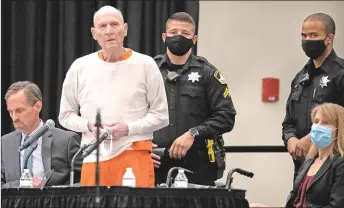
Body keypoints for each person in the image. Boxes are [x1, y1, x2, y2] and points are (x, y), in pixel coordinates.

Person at [59, 6, 169, 188]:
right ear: (94, 33)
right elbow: (65, 116)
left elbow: (161, 116)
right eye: (102, 26)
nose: (109, 31)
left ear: (125, 29)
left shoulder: (146, 64)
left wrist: (128, 129)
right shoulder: (80, 67)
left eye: (114, 24)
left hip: (134, 153)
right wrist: (89, 126)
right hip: (92, 156)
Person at [152, 12, 236, 186]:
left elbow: (226, 117)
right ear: (164, 36)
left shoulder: (208, 73)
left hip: (197, 166)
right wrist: (140, 148)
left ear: (194, 39)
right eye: (173, 32)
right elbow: (132, 114)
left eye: (185, 33)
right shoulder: (150, 70)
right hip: (155, 163)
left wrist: (193, 133)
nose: (178, 37)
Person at [282, 13, 344, 181]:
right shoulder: (300, 77)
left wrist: (312, 138)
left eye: (313, 35)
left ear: (329, 38)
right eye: (304, 35)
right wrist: (292, 140)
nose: (308, 40)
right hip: (302, 165)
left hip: (333, 166)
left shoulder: (340, 73)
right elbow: (288, 122)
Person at [1, 81, 82, 188]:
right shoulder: (5, 142)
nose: (14, 118)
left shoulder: (66, 141)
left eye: (19, 110)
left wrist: (52, 189)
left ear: (37, 107)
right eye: (10, 112)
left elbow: (85, 183)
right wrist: (24, 184)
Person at [285, 103, 344, 207]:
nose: (318, 127)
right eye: (316, 122)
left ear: (338, 129)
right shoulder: (310, 160)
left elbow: (337, 205)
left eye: (325, 122)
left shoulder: (340, 164)